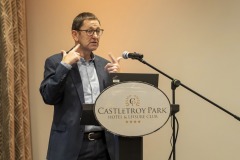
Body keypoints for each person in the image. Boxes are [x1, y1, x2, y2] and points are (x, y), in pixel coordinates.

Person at [40, 12, 121, 160]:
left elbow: (114, 107)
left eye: (98, 31)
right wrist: (64, 66)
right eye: (89, 31)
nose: (95, 36)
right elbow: (48, 97)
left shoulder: (104, 65)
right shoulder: (56, 62)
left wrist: (117, 79)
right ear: (75, 34)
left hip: (104, 145)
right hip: (71, 145)